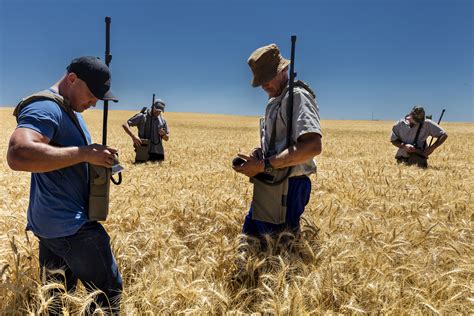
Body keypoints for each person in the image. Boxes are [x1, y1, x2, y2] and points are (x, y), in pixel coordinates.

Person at [7, 56, 122, 313]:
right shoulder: (45, 109)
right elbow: (18, 153)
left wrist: (95, 156)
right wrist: (84, 154)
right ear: (72, 79)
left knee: (57, 299)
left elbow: (68, 154)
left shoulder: (69, 109)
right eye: (92, 94)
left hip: (52, 224)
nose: (94, 102)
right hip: (71, 225)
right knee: (108, 292)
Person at [233, 43, 322, 247]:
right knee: (251, 241)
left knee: (280, 249)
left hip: (290, 185)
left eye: (266, 79)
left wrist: (264, 165)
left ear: (283, 71)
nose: (263, 85)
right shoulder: (274, 101)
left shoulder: (297, 97)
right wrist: (259, 155)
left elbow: (312, 146)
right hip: (271, 183)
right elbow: (279, 142)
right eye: (260, 81)